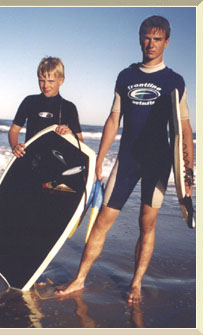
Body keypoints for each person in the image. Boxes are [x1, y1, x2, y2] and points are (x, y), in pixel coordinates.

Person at [54, 16, 194, 303]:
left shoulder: (174, 81)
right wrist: (100, 159)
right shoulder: (126, 76)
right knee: (103, 219)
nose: (150, 44)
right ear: (139, 38)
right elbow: (114, 118)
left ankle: (136, 283)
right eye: (146, 37)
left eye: (157, 39)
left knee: (147, 223)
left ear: (166, 42)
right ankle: (79, 279)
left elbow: (184, 128)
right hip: (128, 158)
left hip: (157, 162)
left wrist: (188, 172)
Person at [9, 56, 83, 157]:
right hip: (31, 159)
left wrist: (70, 134)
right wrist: (15, 147)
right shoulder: (29, 101)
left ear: (61, 81)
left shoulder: (69, 107)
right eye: (42, 80)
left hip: (57, 162)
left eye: (51, 81)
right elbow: (13, 130)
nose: (45, 85)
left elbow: (81, 142)